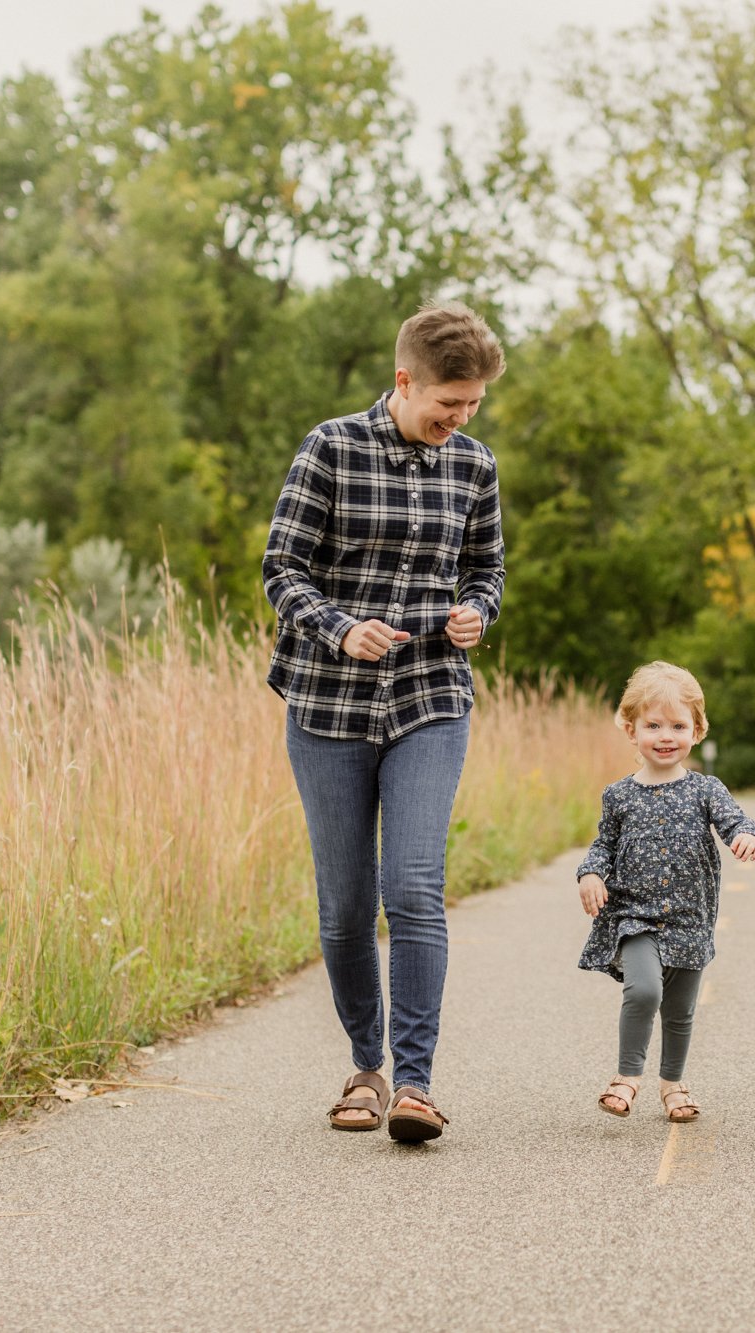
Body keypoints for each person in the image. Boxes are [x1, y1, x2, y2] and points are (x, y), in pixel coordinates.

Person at [262, 301, 506, 1144]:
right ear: (404, 380)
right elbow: (281, 567)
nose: (460, 419)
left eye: (472, 406)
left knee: (413, 888)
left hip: (431, 698)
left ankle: (414, 1081)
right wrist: (339, 626)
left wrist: (478, 608)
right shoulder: (329, 447)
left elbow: (487, 568)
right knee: (344, 906)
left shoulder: (474, 466)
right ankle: (364, 1066)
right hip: (328, 702)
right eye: (448, 404)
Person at [575, 662, 755, 1124]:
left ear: (696, 731)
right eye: (653, 725)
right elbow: (603, 844)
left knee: (680, 1011)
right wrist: (590, 874)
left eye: (678, 726)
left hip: (690, 918)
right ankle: (626, 1076)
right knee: (643, 992)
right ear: (630, 730)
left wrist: (748, 836)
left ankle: (673, 1085)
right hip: (635, 915)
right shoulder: (619, 795)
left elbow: (737, 821)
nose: (665, 736)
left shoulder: (705, 790)